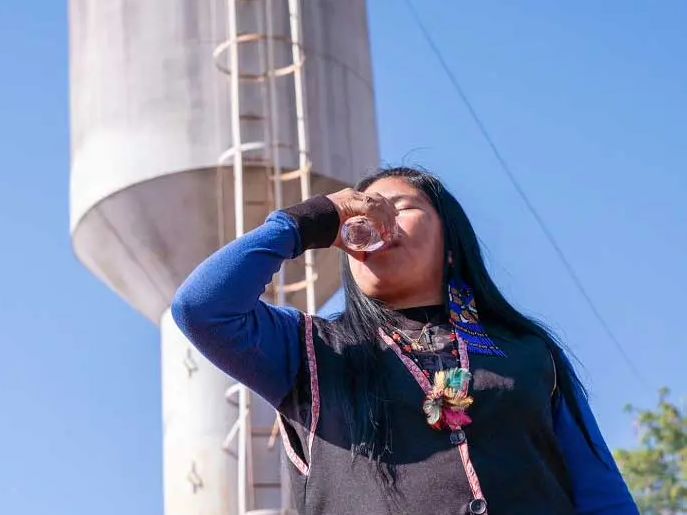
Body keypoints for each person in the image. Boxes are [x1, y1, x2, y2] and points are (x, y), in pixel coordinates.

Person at [171, 166, 637, 515]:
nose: (379, 219)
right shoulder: (312, 350)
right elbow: (201, 308)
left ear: (451, 245)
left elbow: (602, 495)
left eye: (402, 206)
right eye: (362, 212)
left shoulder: (528, 352)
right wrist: (313, 219)